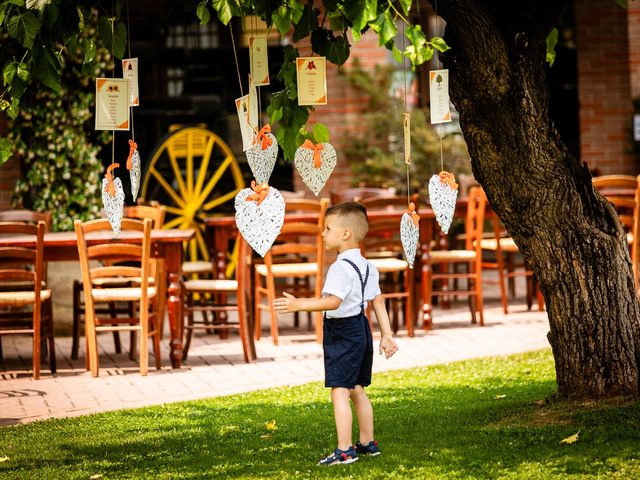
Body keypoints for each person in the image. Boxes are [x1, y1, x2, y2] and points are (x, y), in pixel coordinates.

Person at [273, 201, 399, 466]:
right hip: (361, 329)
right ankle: (367, 442)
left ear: (345, 234)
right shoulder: (368, 267)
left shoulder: (340, 268)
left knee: (339, 391)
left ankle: (344, 450)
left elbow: (333, 302)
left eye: (327, 228)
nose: (322, 234)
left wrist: (300, 305)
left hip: (343, 332)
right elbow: (377, 302)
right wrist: (386, 334)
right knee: (357, 389)